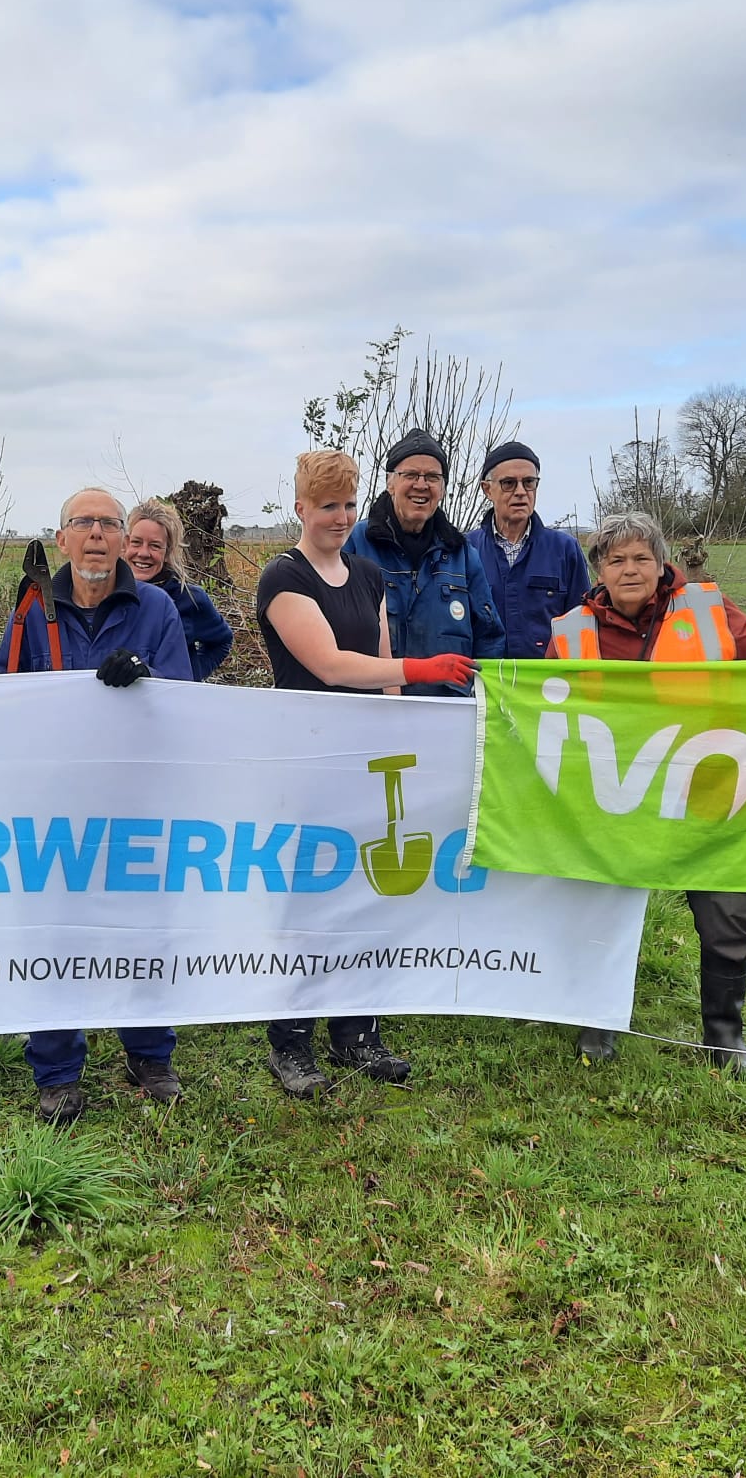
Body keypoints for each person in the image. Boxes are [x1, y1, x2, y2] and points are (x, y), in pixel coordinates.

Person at [549, 511, 746, 1073]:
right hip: (615, 799)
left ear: (661, 562)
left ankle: (724, 1034)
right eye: (617, 559)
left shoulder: (705, 610)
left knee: (727, 912)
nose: (630, 570)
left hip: (704, 789)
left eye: (641, 559)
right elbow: (546, 703)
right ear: (600, 567)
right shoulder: (571, 630)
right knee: (599, 910)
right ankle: (597, 1020)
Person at [253, 450, 477, 1098]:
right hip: (307, 761)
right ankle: (289, 1042)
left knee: (365, 897)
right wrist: (423, 667)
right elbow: (331, 665)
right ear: (300, 507)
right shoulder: (282, 578)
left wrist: (400, 740)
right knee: (308, 902)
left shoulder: (369, 574)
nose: (341, 518)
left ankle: (357, 1031)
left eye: (349, 505)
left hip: (366, 765)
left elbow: (380, 670)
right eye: (327, 506)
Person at [0, 486, 189, 1123]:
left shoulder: (156, 607)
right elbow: (5, 698)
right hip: (53, 806)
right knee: (53, 932)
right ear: (62, 538)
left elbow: (186, 701)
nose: (98, 535)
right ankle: (56, 1069)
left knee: (144, 927)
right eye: (85, 523)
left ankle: (149, 1053)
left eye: (109, 523)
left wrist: (147, 681)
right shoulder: (30, 611)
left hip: (136, 799)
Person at [343, 427, 504, 693]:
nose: (421, 485)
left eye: (432, 477)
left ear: (442, 488)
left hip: (449, 713)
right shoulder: (355, 545)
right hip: (376, 709)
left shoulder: (462, 555)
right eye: (410, 475)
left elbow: (489, 640)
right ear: (390, 482)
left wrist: (482, 699)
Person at [466, 440, 591, 658]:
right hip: (485, 681)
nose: (521, 492)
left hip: (548, 684)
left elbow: (581, 623)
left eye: (529, 482)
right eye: (508, 483)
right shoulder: (466, 550)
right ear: (487, 489)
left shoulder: (564, 549)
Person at [124, 498, 233, 681]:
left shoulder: (190, 599)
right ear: (124, 544)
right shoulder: (104, 595)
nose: (143, 553)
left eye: (155, 546)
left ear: (168, 552)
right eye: (136, 542)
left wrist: (192, 676)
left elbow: (221, 641)